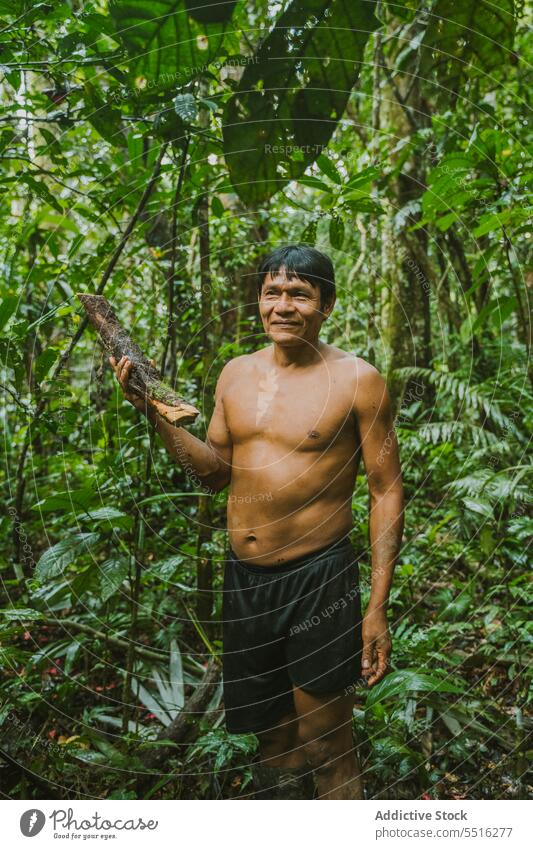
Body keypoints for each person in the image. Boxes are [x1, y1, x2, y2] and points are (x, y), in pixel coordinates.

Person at [110, 244, 404, 800]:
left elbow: (386, 489)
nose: (284, 305)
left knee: (327, 744)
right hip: (245, 581)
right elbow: (214, 472)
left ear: (327, 304)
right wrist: (150, 408)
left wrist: (376, 606)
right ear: (259, 301)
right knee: (274, 745)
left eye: (300, 293)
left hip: (318, 578)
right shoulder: (235, 375)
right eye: (273, 292)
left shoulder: (358, 380)